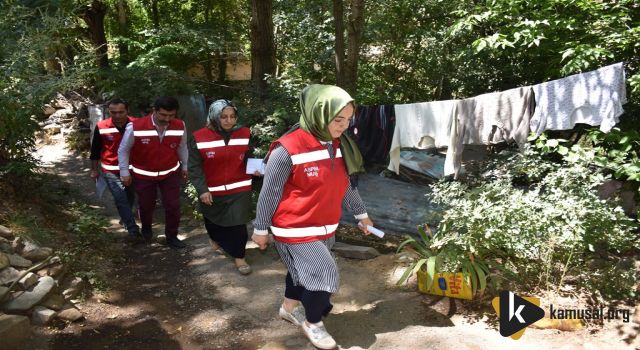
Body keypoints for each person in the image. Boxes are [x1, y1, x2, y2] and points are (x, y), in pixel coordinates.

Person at [252, 84, 373, 349]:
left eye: (348, 119)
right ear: (319, 114)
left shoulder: (340, 146)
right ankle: (313, 322)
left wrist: (362, 215)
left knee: (301, 272)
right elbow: (269, 193)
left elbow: (345, 185)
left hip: (326, 226)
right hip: (294, 228)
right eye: (338, 119)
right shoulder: (286, 149)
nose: (344, 125)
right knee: (324, 274)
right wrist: (261, 228)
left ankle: (288, 307)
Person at [188, 99, 259, 275]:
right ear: (214, 117)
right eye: (223, 117)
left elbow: (250, 156)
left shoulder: (244, 133)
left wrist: (256, 169)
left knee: (238, 226)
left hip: (239, 188)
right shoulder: (199, 137)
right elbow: (194, 167)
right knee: (213, 222)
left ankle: (239, 257)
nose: (229, 120)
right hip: (212, 190)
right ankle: (215, 238)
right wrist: (202, 189)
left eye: (232, 117)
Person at [118, 96, 189, 249]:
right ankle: (146, 228)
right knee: (146, 205)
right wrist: (124, 172)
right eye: (163, 115)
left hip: (170, 173)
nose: (167, 119)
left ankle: (172, 236)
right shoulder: (135, 126)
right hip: (144, 174)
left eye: (171, 115)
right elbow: (123, 150)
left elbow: (182, 147)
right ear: (154, 111)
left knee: (173, 205)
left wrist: (185, 166)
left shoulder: (180, 125)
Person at [89, 98, 140, 240]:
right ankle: (132, 229)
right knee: (120, 198)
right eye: (113, 112)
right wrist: (94, 169)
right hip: (110, 169)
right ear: (108, 111)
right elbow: (95, 150)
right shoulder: (102, 126)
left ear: (127, 110)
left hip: (133, 168)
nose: (117, 116)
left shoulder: (138, 124)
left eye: (121, 112)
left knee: (130, 196)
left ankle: (125, 217)